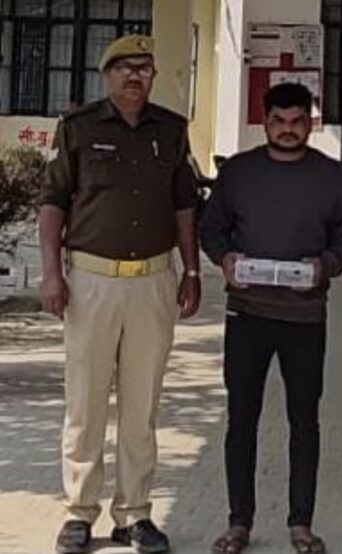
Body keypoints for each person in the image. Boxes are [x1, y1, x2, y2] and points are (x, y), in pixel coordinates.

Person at [40, 35, 201, 554]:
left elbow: (184, 205)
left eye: (144, 68)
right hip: (91, 282)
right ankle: (79, 511)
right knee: (85, 400)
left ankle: (135, 513)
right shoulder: (79, 127)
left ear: (153, 75)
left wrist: (192, 270)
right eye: (124, 67)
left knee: (141, 404)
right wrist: (51, 274)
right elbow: (52, 203)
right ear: (106, 74)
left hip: (153, 281)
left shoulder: (171, 130)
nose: (135, 76)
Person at [200, 83, 342, 554]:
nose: (288, 130)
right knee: (241, 419)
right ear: (265, 121)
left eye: (297, 122)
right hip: (247, 314)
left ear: (311, 122)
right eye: (278, 121)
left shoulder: (332, 177)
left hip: (304, 317)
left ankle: (301, 524)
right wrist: (225, 258)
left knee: (303, 421)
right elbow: (212, 228)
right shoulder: (238, 172)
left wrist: (325, 266)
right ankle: (238, 523)